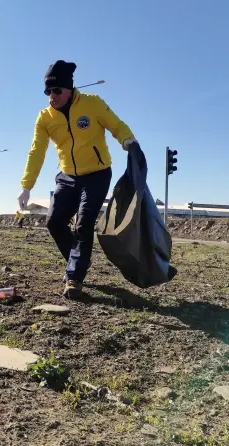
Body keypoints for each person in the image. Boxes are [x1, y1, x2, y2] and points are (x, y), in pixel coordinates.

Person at [17, 60, 138, 299]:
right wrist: (26, 186)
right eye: (48, 92)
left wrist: (128, 141)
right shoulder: (44, 119)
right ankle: (78, 259)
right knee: (54, 222)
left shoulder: (93, 104)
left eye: (57, 90)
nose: (52, 96)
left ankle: (74, 277)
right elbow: (36, 152)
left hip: (97, 173)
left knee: (83, 224)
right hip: (68, 177)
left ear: (69, 88)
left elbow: (117, 125)